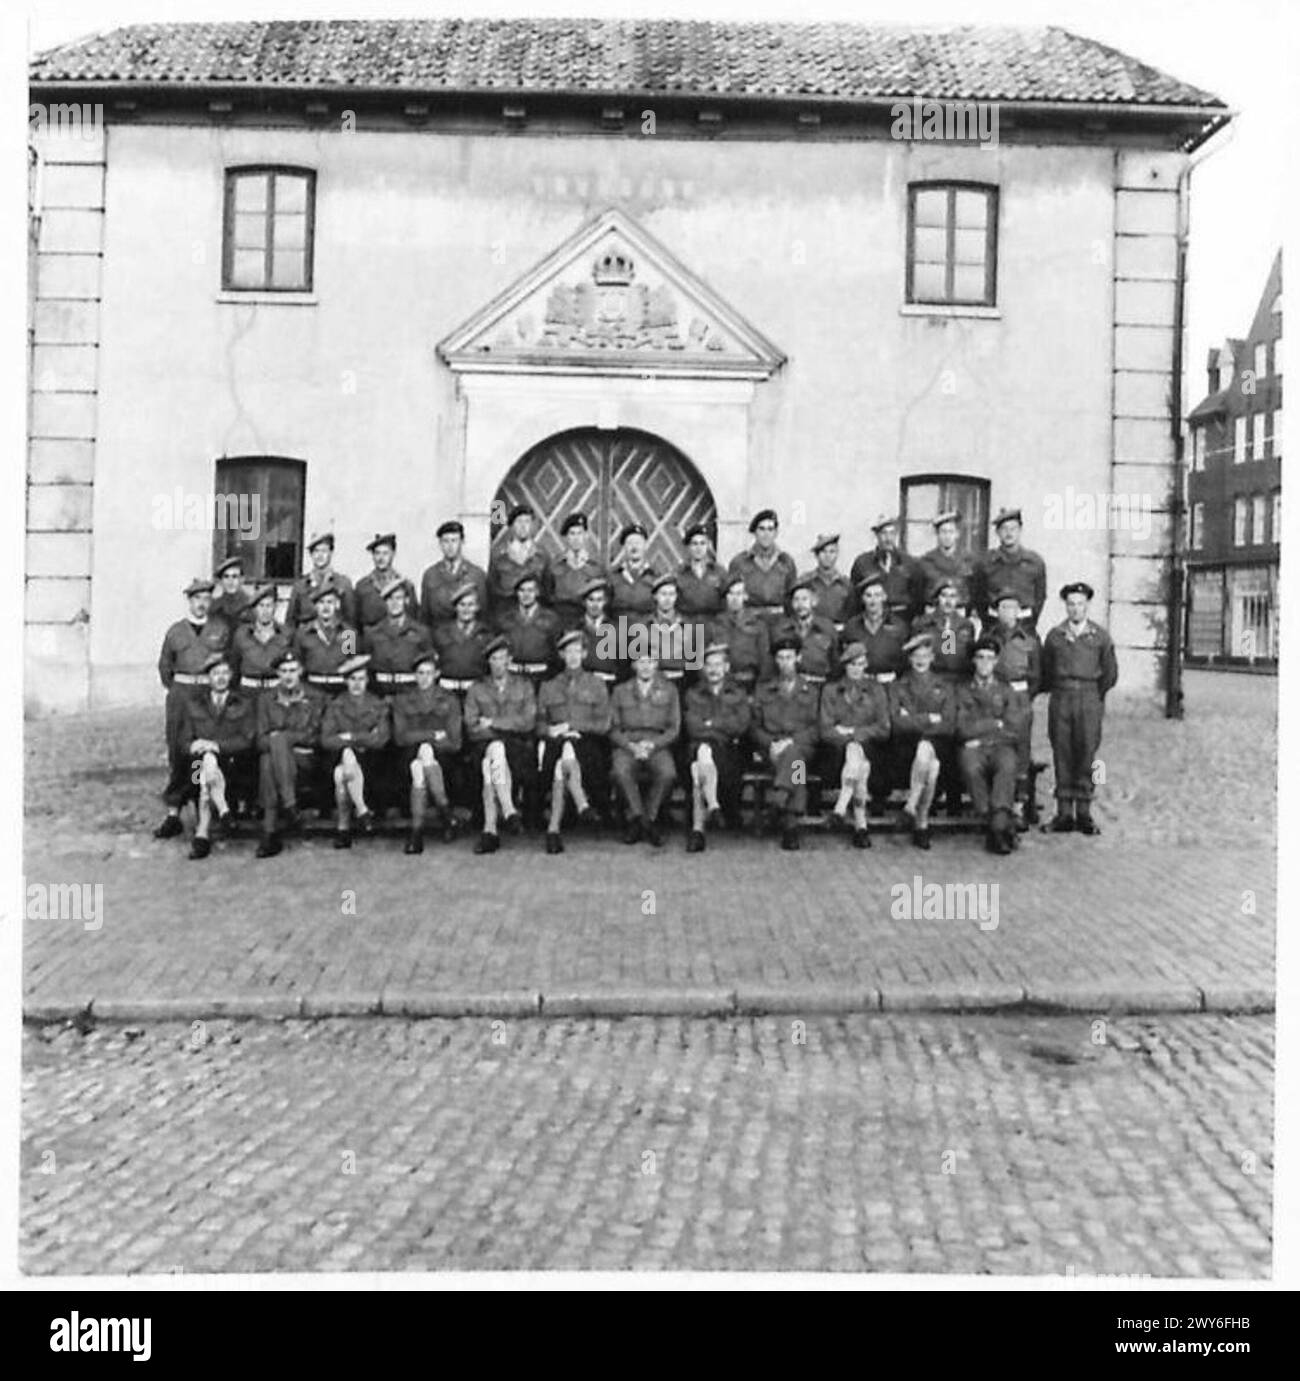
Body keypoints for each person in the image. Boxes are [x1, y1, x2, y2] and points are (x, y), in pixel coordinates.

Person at [154, 576, 231, 840]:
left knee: (203, 749)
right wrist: (178, 690)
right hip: (181, 695)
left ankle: (202, 806)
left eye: (206, 598)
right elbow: (165, 667)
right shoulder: (176, 631)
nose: (202, 604)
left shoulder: (220, 629)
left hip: (207, 694)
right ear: (189, 601)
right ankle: (174, 812)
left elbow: (227, 663)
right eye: (197, 598)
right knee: (178, 752)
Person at [1041, 581, 1119, 836]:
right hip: (1061, 697)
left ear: (1087, 606)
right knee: (1062, 752)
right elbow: (1046, 670)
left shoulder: (1100, 637)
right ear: (1065, 606)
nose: (1075, 609)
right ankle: (1063, 812)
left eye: (1080, 604)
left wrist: (1094, 696)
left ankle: (1084, 813)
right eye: (1071, 604)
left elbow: (1109, 674)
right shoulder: (1055, 636)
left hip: (1089, 697)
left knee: (1088, 753)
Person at [535, 629, 612, 853]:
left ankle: (553, 829)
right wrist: (552, 730)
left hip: (588, 745)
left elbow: (604, 724)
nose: (573, 657)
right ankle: (582, 805)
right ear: (561, 655)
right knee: (562, 756)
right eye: (568, 652)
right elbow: (539, 724)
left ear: (585, 654)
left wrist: (573, 728)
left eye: (577, 651)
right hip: (556, 743)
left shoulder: (596, 684)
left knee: (565, 758)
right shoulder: (549, 686)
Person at [464, 635, 538, 853]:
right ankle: (508, 810)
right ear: (489, 662)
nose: (498, 663)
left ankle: (490, 830)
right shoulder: (477, 688)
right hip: (483, 745)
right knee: (494, 752)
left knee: (491, 764)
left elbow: (528, 722)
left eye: (502, 658)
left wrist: (494, 723)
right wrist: (504, 728)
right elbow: (471, 726)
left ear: (510, 661)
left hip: (517, 748)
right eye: (494, 659)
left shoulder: (524, 686)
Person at [178, 650, 255, 860]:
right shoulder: (194, 704)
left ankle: (202, 833)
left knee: (208, 764)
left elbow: (247, 740)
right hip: (195, 769)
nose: (220, 678)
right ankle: (223, 810)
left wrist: (215, 746)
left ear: (231, 676)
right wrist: (195, 746)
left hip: (231, 765)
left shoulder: (243, 703)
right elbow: (183, 741)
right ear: (208, 678)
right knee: (203, 765)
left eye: (224, 673)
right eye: (215, 673)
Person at [956, 637, 1029, 854]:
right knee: (971, 767)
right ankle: (997, 823)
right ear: (973, 661)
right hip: (971, 748)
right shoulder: (962, 690)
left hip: (998, 746)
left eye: (990, 658)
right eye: (980, 658)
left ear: (996, 661)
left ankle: (995, 827)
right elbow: (961, 728)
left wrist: (983, 735)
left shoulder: (1006, 691)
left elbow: (1013, 728)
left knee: (1006, 767)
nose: (985, 663)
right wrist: (993, 723)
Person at [911, 577, 977, 815]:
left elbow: (967, 658)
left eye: (953, 596)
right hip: (934, 683)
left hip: (958, 685)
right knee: (933, 735)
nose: (948, 601)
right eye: (943, 596)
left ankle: (954, 795)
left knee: (956, 738)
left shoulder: (966, 625)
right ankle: (931, 792)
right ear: (936, 599)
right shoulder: (924, 623)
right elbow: (918, 654)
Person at [752, 634, 821, 851]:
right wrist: (771, 743)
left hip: (802, 745)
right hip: (772, 749)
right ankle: (790, 825)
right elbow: (753, 726)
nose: (785, 663)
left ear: (798, 658)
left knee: (794, 754)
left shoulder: (811, 691)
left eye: (789, 657)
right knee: (796, 765)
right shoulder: (764, 690)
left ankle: (780, 799)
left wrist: (790, 742)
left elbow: (816, 728)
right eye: (780, 658)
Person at [252, 649, 324, 858]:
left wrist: (282, 738)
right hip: (280, 763)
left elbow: (313, 737)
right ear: (277, 674)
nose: (288, 675)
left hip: (306, 760)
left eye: (292, 670)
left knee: (275, 745)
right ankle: (278, 822)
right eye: (283, 671)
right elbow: (259, 740)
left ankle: (271, 829)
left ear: (300, 671)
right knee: (267, 761)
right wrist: (283, 742)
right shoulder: (266, 700)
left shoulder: (315, 697)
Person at [817, 641, 889, 848]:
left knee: (858, 756)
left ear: (866, 665)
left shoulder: (876, 690)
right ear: (845, 666)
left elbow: (884, 728)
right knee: (857, 761)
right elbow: (825, 730)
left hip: (873, 750)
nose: (857, 669)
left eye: (861, 664)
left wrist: (853, 733)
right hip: (836, 752)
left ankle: (841, 808)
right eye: (852, 664)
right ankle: (860, 825)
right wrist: (850, 740)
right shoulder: (831, 691)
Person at [682, 641, 752, 852]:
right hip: (700, 747)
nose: (713, 669)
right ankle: (711, 807)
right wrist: (720, 726)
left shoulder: (737, 694)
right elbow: (692, 727)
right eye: (709, 665)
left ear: (727, 667)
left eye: (718, 664)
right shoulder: (693, 694)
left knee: (698, 768)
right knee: (701, 756)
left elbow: (741, 725)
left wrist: (711, 724)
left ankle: (698, 829)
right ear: (703, 668)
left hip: (729, 752)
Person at [392, 650, 463, 853]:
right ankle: (445, 813)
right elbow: (400, 736)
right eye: (420, 673)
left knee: (420, 766)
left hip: (444, 756)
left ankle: (417, 832)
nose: (424, 678)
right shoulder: (403, 699)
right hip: (409, 754)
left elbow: (454, 741)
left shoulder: (449, 700)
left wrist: (423, 740)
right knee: (420, 758)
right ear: (414, 675)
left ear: (437, 674)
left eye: (429, 673)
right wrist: (432, 735)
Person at [889, 634, 955, 849]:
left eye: (925, 655)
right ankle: (921, 821)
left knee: (929, 753)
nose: (920, 660)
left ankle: (911, 804)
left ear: (933, 657)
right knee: (930, 765)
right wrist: (928, 718)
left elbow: (949, 724)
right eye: (916, 656)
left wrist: (912, 718)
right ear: (909, 659)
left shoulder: (944, 686)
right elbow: (897, 723)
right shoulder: (898, 686)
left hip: (939, 744)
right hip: (905, 747)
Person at [609, 652, 680, 846]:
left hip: (656, 744)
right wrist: (630, 746)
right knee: (620, 772)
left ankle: (651, 818)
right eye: (642, 662)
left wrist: (654, 745)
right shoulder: (620, 691)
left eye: (651, 662)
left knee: (668, 774)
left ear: (657, 664)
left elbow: (674, 728)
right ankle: (636, 818)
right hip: (628, 744)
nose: (646, 666)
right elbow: (613, 728)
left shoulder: (669, 690)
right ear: (634, 665)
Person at [319, 653, 390, 848]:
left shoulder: (378, 704)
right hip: (338, 757)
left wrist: (349, 737)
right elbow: (326, 740)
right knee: (345, 760)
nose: (357, 684)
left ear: (368, 680)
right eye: (352, 679)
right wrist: (366, 736)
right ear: (345, 681)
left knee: (342, 771)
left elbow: (381, 739)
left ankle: (344, 827)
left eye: (361, 679)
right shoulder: (335, 705)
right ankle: (362, 809)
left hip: (371, 759)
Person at [988, 588, 1043, 820]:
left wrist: (1025, 695)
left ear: (1019, 612)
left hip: (1020, 699)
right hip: (994, 696)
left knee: (1021, 749)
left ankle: (1019, 804)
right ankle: (995, 801)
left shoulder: (1029, 641)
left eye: (1012, 607)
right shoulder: (987, 636)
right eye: (1003, 607)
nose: (1008, 612)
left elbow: (1038, 675)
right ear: (996, 612)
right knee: (995, 744)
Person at [971, 507, 1047, 629]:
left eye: (1013, 528)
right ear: (997, 532)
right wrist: (989, 621)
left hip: (1025, 628)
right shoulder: (985, 563)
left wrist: (1029, 621)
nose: (1009, 533)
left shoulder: (1034, 562)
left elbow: (1040, 598)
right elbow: (978, 597)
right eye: (1004, 529)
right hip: (993, 627)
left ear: (1020, 530)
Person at [728, 508, 797, 630]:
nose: (766, 534)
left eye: (770, 529)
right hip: (750, 622)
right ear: (754, 532)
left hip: (779, 623)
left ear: (776, 533)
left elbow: (792, 598)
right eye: (762, 529)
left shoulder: (786, 561)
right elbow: (731, 598)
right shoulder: (740, 562)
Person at [364, 579, 432, 695]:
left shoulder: (421, 632)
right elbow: (365, 665)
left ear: (406, 600)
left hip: (409, 692)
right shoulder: (372, 633)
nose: (394, 603)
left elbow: (428, 665)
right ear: (384, 602)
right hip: (380, 692)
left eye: (398, 598)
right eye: (390, 599)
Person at [706, 573, 771, 692]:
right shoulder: (711, 625)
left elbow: (765, 661)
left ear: (745, 596)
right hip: (721, 686)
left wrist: (760, 690)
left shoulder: (758, 625)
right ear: (725, 597)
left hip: (749, 684)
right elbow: (696, 662)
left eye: (739, 593)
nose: (735, 598)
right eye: (730, 594)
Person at [420, 520, 488, 632]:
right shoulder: (430, 575)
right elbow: (425, 616)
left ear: (462, 542)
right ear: (440, 544)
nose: (450, 546)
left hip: (467, 638)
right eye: (445, 541)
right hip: (438, 638)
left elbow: (484, 614)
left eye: (454, 541)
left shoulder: (476, 575)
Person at [496, 571, 562, 687]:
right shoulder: (505, 619)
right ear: (516, 593)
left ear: (537, 592)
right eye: (522, 590)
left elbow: (557, 654)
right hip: (513, 677)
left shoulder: (551, 619)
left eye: (530, 590)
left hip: (541, 677)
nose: (526, 595)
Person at [850, 516, 920, 623]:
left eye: (892, 533)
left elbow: (917, 596)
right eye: (884, 533)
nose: (888, 538)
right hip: (872, 620)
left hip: (902, 620)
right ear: (876, 536)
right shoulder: (862, 562)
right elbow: (854, 598)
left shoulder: (908, 562)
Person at [841, 573, 909, 684]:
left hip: (890, 684)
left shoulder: (899, 626)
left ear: (884, 597)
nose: (873, 601)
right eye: (868, 595)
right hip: (861, 685)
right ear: (862, 599)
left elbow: (906, 660)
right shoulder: (852, 627)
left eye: (877, 595)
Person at [772, 577, 839, 684]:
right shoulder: (781, 628)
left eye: (804, 599)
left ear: (814, 602)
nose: (800, 604)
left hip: (819, 685)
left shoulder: (827, 628)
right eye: (796, 600)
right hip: (791, 686)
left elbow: (836, 662)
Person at [294, 585, 359, 695]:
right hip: (312, 689)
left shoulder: (347, 633)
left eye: (330, 602)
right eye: (321, 602)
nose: (325, 607)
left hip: (339, 690)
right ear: (315, 606)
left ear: (337, 604)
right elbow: (298, 665)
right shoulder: (304, 634)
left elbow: (351, 663)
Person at [431, 583, 492, 698]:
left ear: (477, 607)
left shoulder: (486, 634)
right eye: (462, 605)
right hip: (447, 692)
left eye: (470, 605)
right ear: (455, 607)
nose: (466, 609)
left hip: (476, 692)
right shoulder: (441, 633)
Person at [487, 505, 548, 618]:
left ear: (533, 526)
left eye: (527, 522)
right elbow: (492, 588)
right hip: (505, 614)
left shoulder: (542, 554)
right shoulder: (499, 554)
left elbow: (547, 588)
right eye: (519, 521)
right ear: (512, 525)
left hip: (534, 616)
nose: (523, 526)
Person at [231, 583, 292, 693]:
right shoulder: (242, 633)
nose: (265, 611)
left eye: (269, 606)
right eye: (261, 606)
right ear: (255, 609)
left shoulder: (286, 633)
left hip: (275, 690)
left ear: (275, 607)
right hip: (248, 692)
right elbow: (234, 665)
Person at [287, 531, 357, 629]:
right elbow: (290, 622)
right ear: (311, 554)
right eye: (316, 551)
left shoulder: (343, 583)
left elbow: (350, 622)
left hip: (335, 640)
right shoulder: (300, 586)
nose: (320, 556)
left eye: (324, 551)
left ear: (331, 553)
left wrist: (347, 645)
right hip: (306, 639)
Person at [547, 512, 605, 625]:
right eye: (572, 534)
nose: (576, 538)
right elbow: (547, 597)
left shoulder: (596, 569)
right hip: (560, 621)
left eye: (580, 533)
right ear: (566, 537)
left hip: (586, 623)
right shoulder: (555, 568)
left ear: (586, 536)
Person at [354, 533, 418, 631]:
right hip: (368, 642)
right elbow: (352, 624)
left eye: (385, 553)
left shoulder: (406, 586)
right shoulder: (362, 586)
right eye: (377, 553)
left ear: (393, 554)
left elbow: (414, 621)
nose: (381, 558)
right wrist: (349, 647)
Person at [914, 512, 975, 613]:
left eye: (951, 532)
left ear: (957, 534)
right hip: (933, 613)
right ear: (937, 534)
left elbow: (975, 591)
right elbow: (918, 593)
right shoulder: (926, 561)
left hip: (961, 613)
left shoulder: (968, 560)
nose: (947, 536)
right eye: (943, 532)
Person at [798, 533, 855, 629]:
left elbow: (852, 614)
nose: (827, 556)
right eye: (823, 552)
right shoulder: (805, 582)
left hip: (838, 632)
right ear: (816, 555)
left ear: (837, 555)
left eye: (832, 552)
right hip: (812, 632)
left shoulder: (846, 584)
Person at [576, 577, 623, 686]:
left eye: (599, 600)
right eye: (591, 600)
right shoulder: (575, 628)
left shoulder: (617, 630)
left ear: (605, 601)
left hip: (609, 684)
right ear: (584, 602)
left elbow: (623, 666)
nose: (595, 605)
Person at [676, 523, 728, 620]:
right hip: (688, 626)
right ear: (688, 547)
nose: (699, 548)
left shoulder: (719, 572)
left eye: (702, 543)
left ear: (708, 545)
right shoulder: (679, 573)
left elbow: (727, 600)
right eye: (694, 544)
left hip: (713, 626)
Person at [608, 523, 658, 622]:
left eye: (638, 543)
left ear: (645, 546)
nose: (634, 547)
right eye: (630, 543)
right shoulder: (612, 577)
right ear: (624, 547)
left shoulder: (656, 577)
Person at [209, 556, 254, 630]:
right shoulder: (214, 607)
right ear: (220, 581)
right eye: (226, 577)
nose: (230, 581)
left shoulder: (251, 605)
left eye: (234, 576)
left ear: (242, 579)